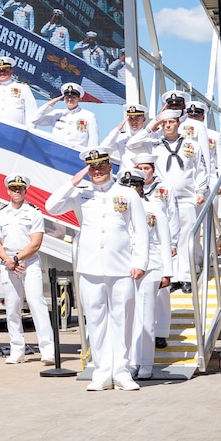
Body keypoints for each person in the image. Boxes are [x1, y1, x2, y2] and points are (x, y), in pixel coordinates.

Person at [46, 148, 150, 391]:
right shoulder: (81, 193)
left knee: (122, 320)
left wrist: (140, 262)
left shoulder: (126, 194)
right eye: (92, 167)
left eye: (101, 166)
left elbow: (140, 229)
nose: (97, 171)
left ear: (110, 167)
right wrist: (73, 181)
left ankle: (122, 371)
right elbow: (52, 207)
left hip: (122, 265)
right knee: (95, 320)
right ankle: (102, 372)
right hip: (91, 266)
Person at [138, 108, 211, 290]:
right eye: (164, 123)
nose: (167, 126)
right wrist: (151, 126)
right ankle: (171, 276)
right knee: (165, 237)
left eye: (171, 122)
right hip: (162, 197)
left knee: (186, 238)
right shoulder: (154, 145)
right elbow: (133, 144)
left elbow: (202, 169)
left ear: (179, 123)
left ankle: (186, 276)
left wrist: (201, 190)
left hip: (186, 197)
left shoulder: (191, 145)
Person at [0, 174, 56, 365]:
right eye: (13, 188)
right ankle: (17, 350)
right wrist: (8, 260)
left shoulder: (34, 212)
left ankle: (47, 350)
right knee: (12, 308)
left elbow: (36, 243)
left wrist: (18, 258)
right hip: (8, 263)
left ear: (25, 191)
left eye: (20, 188)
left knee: (37, 304)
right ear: (8, 190)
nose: (17, 191)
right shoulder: (2, 214)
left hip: (29, 263)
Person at [124, 155, 175, 379]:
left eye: (133, 186)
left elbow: (164, 240)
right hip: (124, 267)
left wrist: (167, 272)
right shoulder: (118, 210)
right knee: (126, 317)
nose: (130, 191)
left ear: (140, 187)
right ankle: (127, 362)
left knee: (145, 317)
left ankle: (145, 363)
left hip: (151, 266)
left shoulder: (154, 208)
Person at [32, 82, 100, 150]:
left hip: (76, 154)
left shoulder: (88, 116)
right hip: (56, 151)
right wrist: (51, 103)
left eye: (73, 97)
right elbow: (35, 120)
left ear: (79, 99)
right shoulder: (57, 113)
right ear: (63, 99)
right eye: (67, 97)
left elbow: (94, 140)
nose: (70, 99)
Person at [103, 104, 149, 176]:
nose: (134, 122)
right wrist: (118, 129)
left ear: (144, 119)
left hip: (144, 176)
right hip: (125, 176)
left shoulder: (149, 136)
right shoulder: (121, 137)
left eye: (137, 119)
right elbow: (105, 148)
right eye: (131, 119)